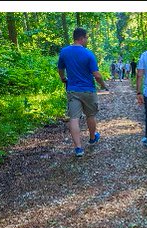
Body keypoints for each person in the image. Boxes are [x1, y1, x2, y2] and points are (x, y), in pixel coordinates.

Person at [57, 26, 108, 157]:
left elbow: (60, 69)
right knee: (90, 115)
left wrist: (63, 78)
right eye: (86, 38)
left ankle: (78, 148)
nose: (87, 40)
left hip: (72, 90)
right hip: (88, 90)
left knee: (74, 118)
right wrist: (103, 85)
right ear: (81, 38)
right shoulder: (88, 54)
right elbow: (96, 75)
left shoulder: (64, 52)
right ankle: (92, 138)